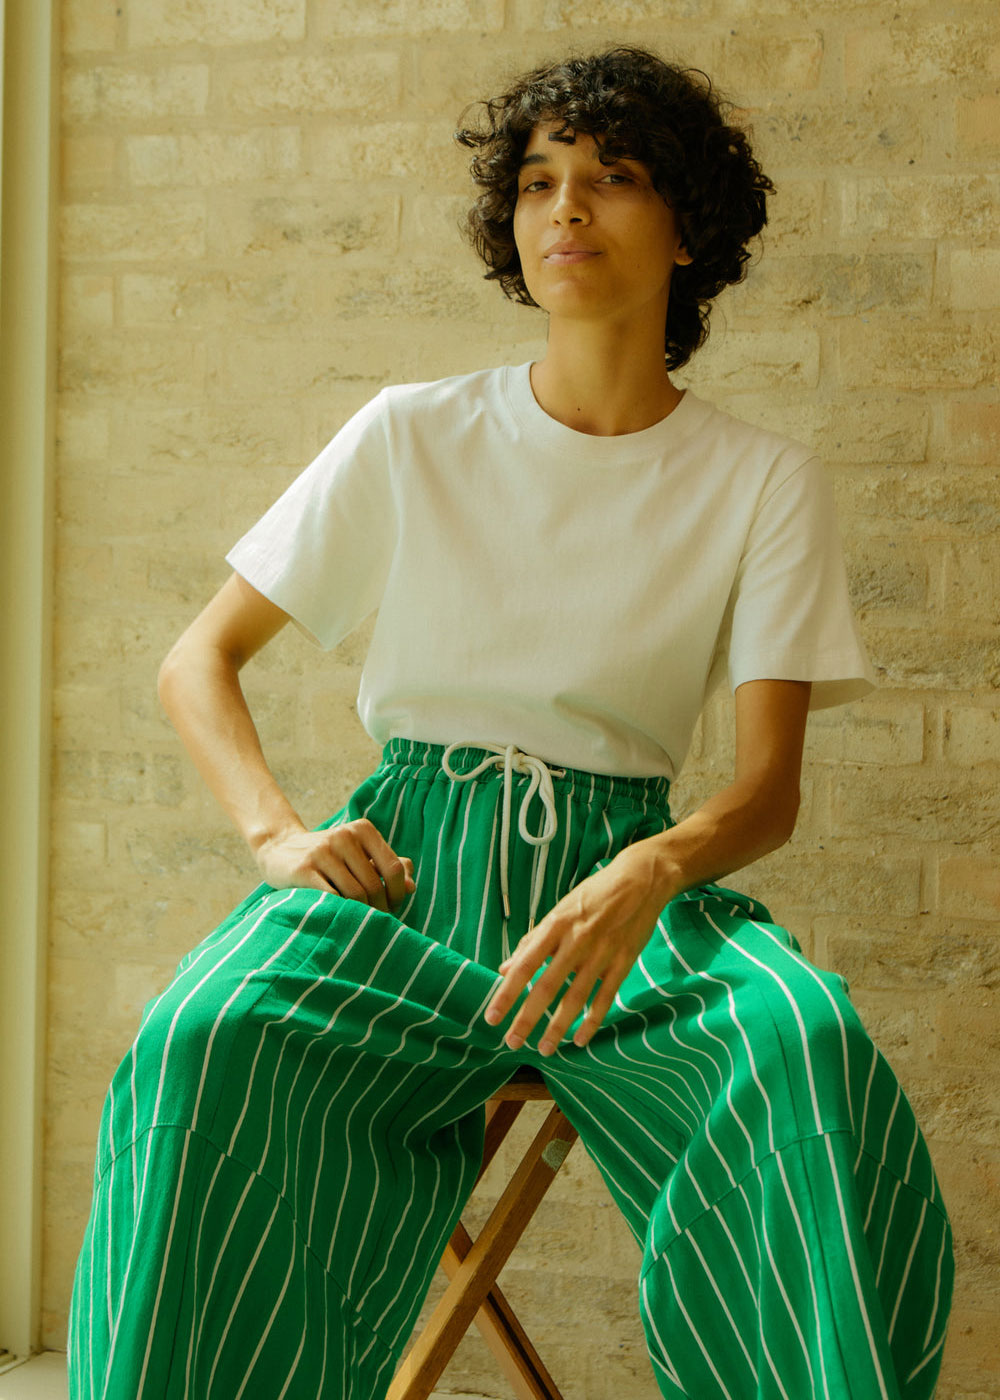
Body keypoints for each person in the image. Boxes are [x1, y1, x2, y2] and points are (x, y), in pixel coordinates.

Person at [67, 45, 953, 1400]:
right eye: (538, 183)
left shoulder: (763, 481)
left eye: (614, 177)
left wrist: (650, 871)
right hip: (405, 885)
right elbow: (200, 661)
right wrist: (277, 836)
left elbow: (766, 792)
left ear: (689, 229)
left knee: (804, 1045)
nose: (566, 209)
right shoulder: (413, 433)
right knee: (203, 1038)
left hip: (624, 903)